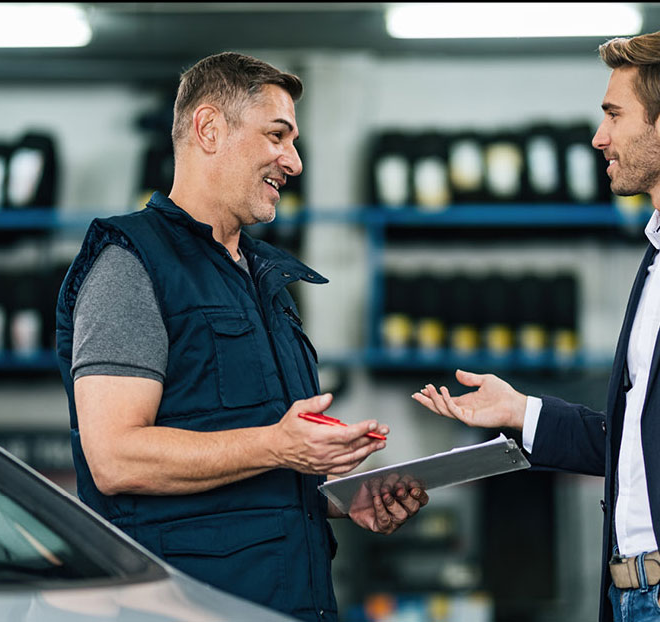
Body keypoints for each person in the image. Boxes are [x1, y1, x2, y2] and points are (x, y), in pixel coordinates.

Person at [55, 52, 427, 622]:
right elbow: (115, 457)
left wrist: (340, 501)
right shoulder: (131, 267)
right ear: (209, 129)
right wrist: (278, 445)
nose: (294, 162)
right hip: (186, 608)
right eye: (277, 136)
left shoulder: (265, 280)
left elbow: (252, 468)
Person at [414, 28, 660, 622]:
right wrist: (520, 411)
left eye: (613, 114)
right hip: (630, 596)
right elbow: (640, 444)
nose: (600, 137)